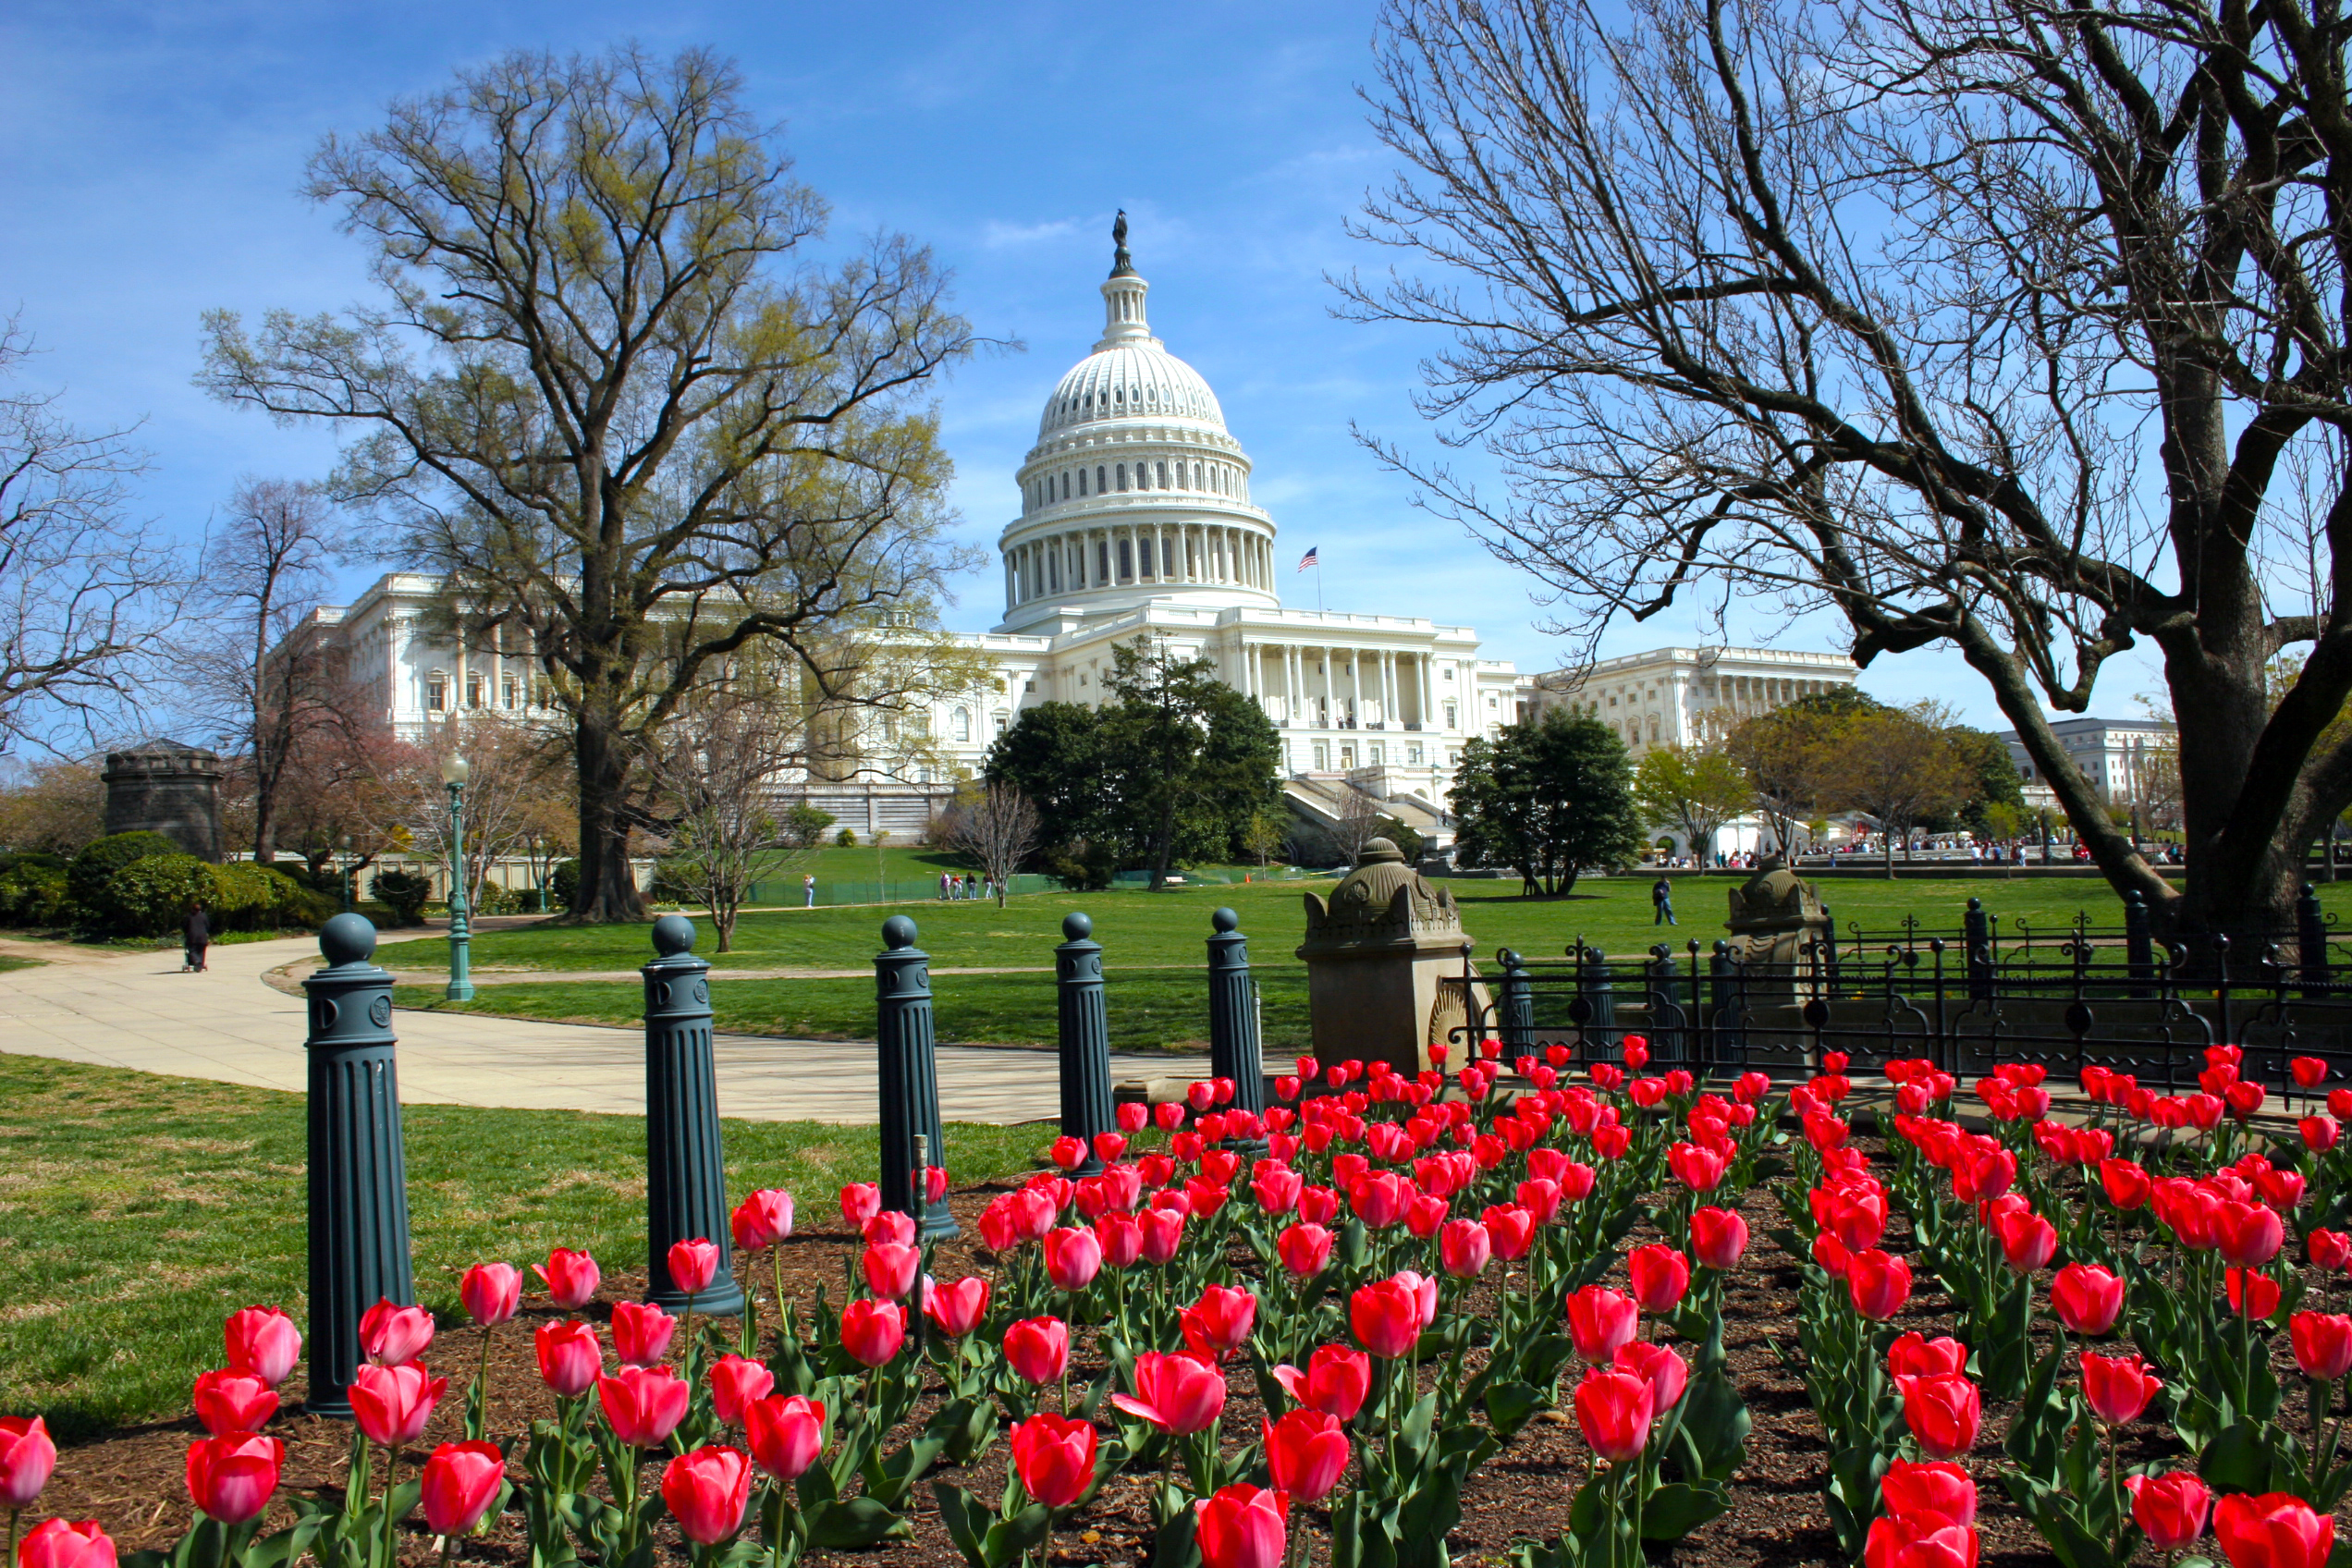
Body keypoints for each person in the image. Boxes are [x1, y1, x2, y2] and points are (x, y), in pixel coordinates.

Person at [182, 900, 211, 973]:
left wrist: (186, 933)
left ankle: (196, 961)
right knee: (201, 951)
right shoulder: (204, 916)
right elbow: (208, 926)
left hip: (192, 937)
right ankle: (199, 965)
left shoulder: (189, 917)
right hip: (203, 937)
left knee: (192, 950)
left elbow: (185, 926)